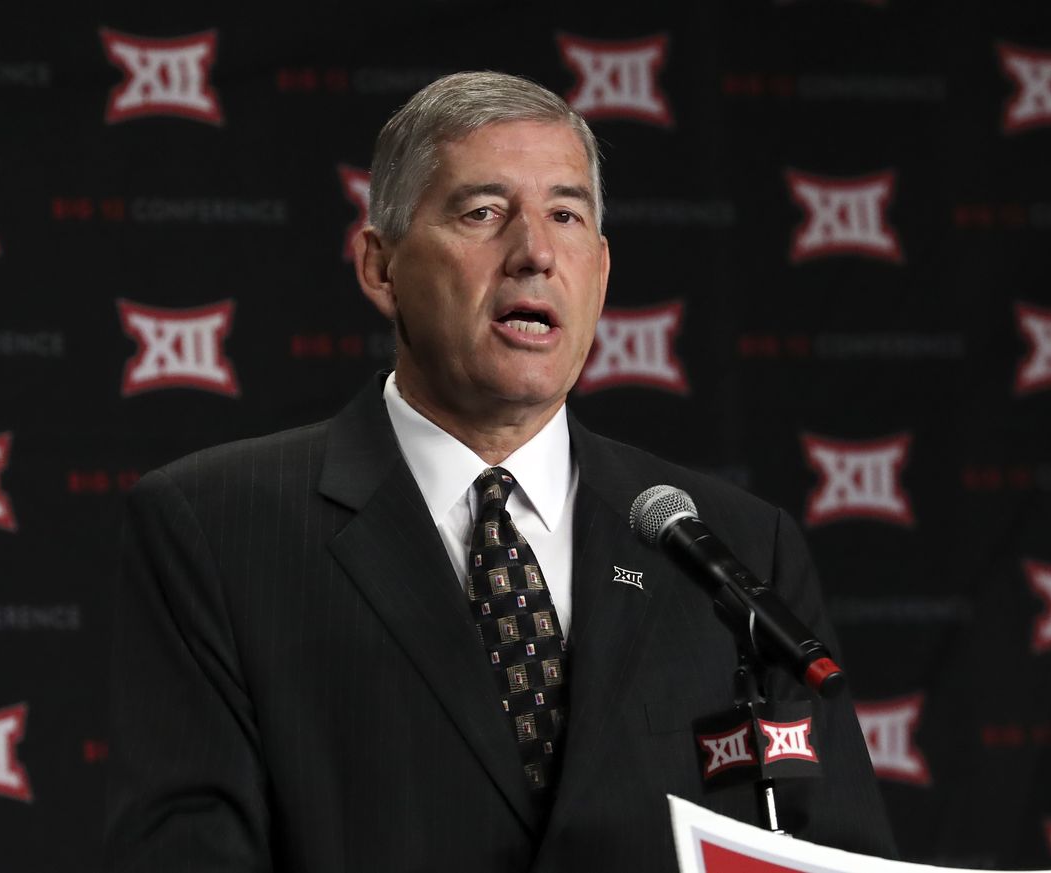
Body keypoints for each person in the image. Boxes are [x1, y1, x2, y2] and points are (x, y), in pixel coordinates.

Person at [105, 71, 895, 873]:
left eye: (566, 214)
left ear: (602, 271)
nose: (535, 253)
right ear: (380, 268)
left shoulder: (736, 547)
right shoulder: (214, 526)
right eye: (482, 212)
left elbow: (837, 849)